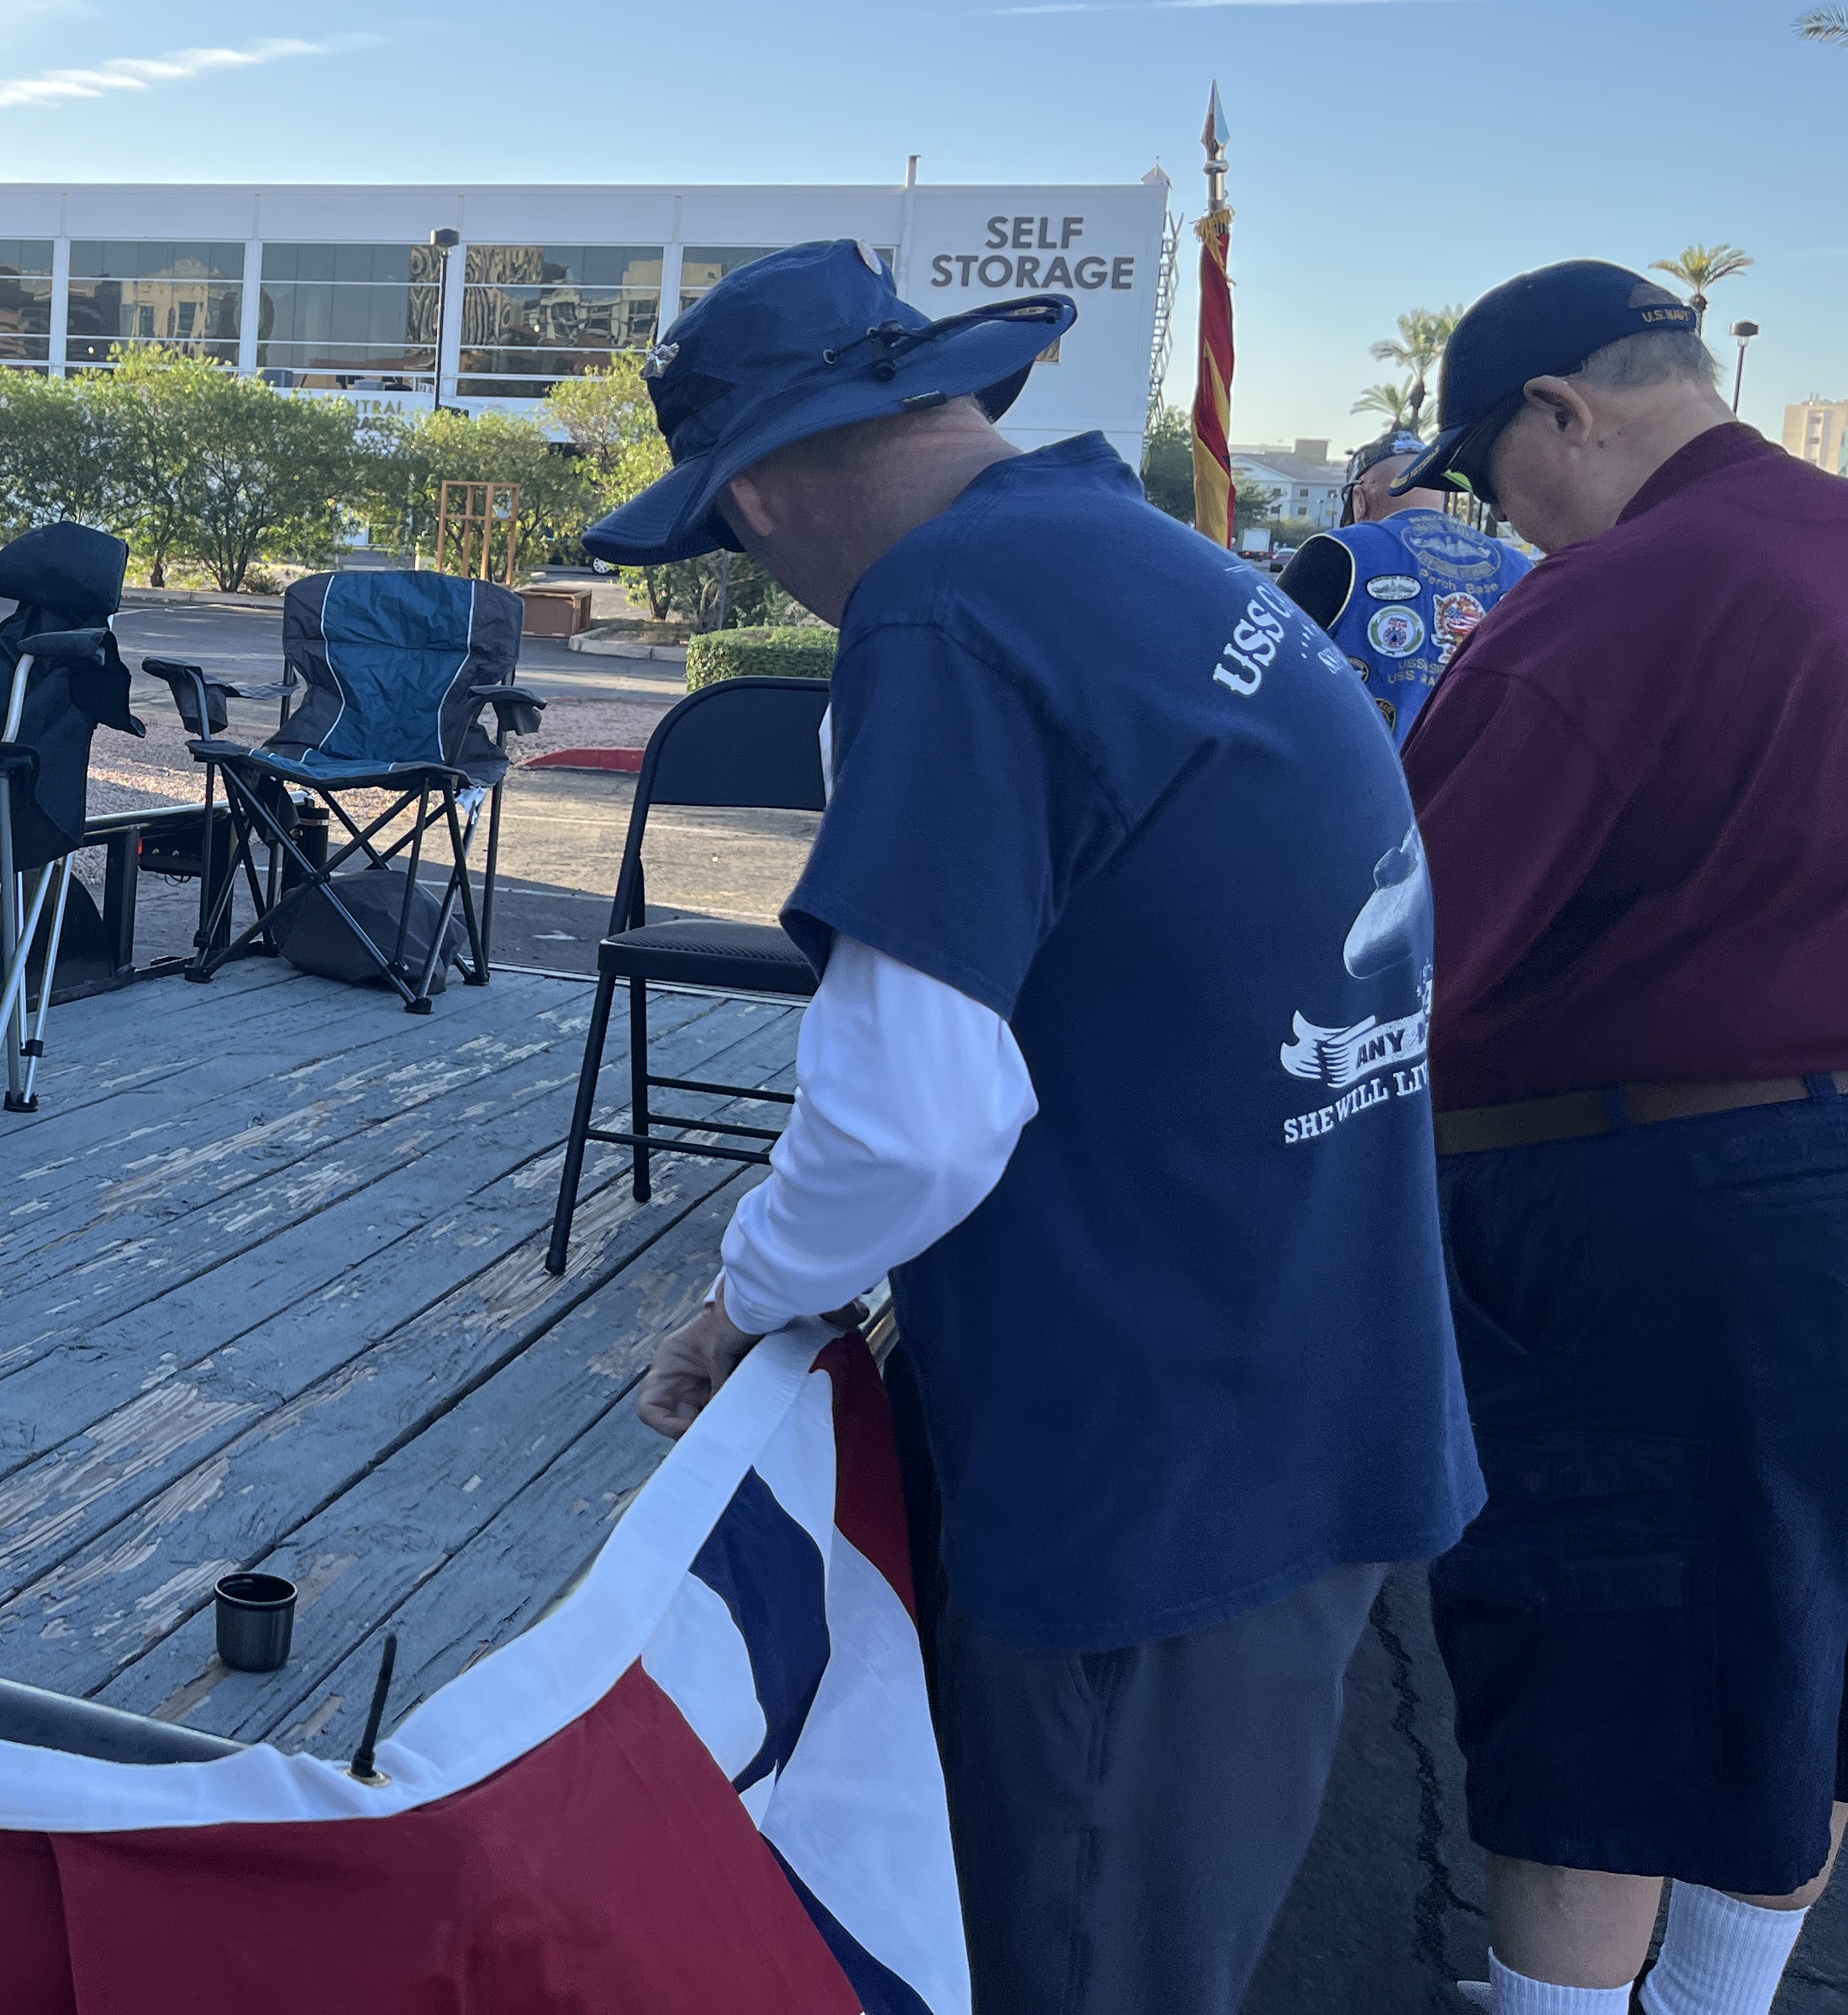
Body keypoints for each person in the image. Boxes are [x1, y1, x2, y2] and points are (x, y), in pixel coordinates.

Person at [600, 241, 1479, 2015]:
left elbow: (908, 1123)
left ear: (754, 494)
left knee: (1074, 1963)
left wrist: (744, 1294)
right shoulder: (1150, 562)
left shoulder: (946, 614)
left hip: (1144, 1465)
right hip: (1313, 1377)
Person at [1389, 260, 1848, 2015]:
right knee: (1809, 1650)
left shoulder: (1618, 600)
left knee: (1597, 1674)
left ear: (1561, 410)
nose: (1506, 518)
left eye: (1493, 475)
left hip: (1648, 1200)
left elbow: (1401, 960)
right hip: (1804, 1178)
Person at [1279, 427, 1535, 737]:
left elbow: (1272, 664)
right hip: (1483, 765)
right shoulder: (1520, 567)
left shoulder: (1336, 551)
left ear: (1359, 499)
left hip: (1359, 763)